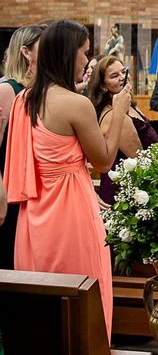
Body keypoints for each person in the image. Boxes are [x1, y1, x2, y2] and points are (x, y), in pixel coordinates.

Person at [4, 20, 130, 339]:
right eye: (84, 53)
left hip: (34, 217)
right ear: (66, 54)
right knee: (83, 300)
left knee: (41, 304)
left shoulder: (25, 101)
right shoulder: (76, 103)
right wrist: (118, 112)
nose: (88, 61)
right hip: (72, 213)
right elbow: (103, 160)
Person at [0, 24, 45, 269]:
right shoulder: (7, 90)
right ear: (26, 52)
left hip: (32, 194)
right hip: (8, 194)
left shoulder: (37, 92)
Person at [89, 56, 158, 204]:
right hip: (124, 192)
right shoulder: (114, 114)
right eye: (114, 76)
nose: (122, 77)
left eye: (123, 72)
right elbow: (139, 158)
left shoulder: (130, 104)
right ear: (102, 86)